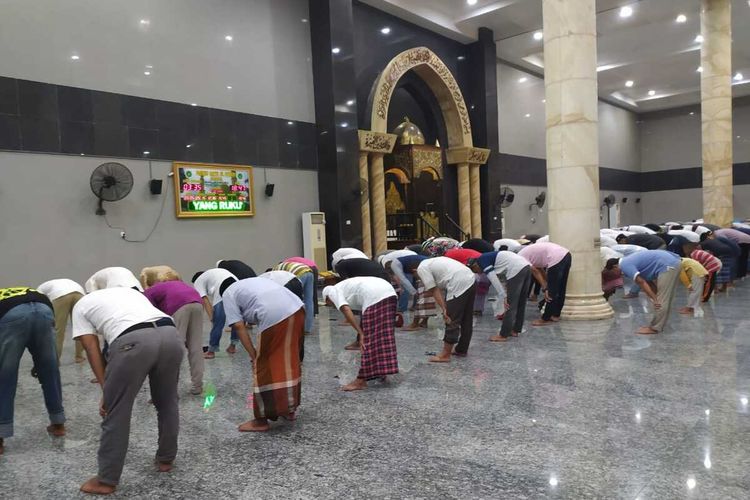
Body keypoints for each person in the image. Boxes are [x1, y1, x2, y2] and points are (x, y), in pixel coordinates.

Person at [74, 287, 182, 495]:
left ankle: (106, 480)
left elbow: (90, 347)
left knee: (117, 411)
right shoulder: (129, 293)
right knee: (168, 401)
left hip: (133, 340)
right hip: (170, 333)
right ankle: (166, 459)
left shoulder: (82, 305)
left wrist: (106, 389)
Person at [222, 278, 304, 432]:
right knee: (290, 360)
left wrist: (254, 355)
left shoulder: (227, 294)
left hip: (273, 315)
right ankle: (289, 409)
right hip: (297, 307)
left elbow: (239, 326)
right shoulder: (249, 284)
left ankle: (261, 420)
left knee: (264, 366)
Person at [0, 287, 65, 456]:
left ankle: (0, 434)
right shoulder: (15, 291)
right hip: (44, 308)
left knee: (5, 375)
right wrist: (41, 362)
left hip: (11, 315)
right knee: (50, 369)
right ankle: (58, 423)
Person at [323, 277, 399, 391]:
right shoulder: (344, 288)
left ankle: (361, 381)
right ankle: (382, 371)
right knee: (383, 338)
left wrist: (361, 334)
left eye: (329, 304)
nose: (332, 306)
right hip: (389, 293)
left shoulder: (331, 290)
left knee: (368, 341)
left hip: (375, 296)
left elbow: (346, 310)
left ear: (327, 298)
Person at [406, 256, 476, 362]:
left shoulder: (421, 268)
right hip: (471, 278)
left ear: (414, 270)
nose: (419, 279)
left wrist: (444, 308)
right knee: (466, 317)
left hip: (458, 282)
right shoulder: (431, 262)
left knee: (451, 318)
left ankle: (445, 355)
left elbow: (434, 290)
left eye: (417, 277)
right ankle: (462, 349)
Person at [144, 280, 204, 395]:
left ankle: (169, 390)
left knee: (175, 349)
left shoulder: (146, 294)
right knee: (195, 346)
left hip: (178, 305)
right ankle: (197, 386)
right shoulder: (168, 285)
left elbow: (153, 317)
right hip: (197, 302)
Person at [468, 251, 532, 342]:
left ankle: (503, 334)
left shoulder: (482, 260)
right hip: (526, 266)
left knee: (510, 304)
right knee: (521, 302)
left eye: (476, 271)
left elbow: (494, 279)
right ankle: (516, 329)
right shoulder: (487, 257)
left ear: (475, 265)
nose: (479, 273)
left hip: (516, 268)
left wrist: (504, 296)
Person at [614, 250, 681, 335]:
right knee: (663, 297)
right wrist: (655, 296)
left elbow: (641, 282)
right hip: (673, 262)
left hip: (667, 265)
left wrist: (655, 299)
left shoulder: (624, 265)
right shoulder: (630, 261)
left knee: (662, 299)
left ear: (615, 267)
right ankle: (659, 324)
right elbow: (648, 282)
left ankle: (655, 328)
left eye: (612, 272)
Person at [518, 242, 572, 326]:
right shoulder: (526, 255)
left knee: (552, 292)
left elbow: (535, 272)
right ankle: (556, 315)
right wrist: (547, 282)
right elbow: (539, 269)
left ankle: (545, 318)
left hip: (556, 258)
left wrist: (546, 287)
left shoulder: (520, 258)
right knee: (561, 287)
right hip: (566, 255)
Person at [192, 268, 238, 358]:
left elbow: (205, 300)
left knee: (218, 323)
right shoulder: (212, 274)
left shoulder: (198, 282)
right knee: (237, 319)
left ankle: (211, 352)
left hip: (223, 287)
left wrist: (212, 318)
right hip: (236, 284)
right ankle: (232, 347)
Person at [37, 278, 86, 362]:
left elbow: (40, 304)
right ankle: (79, 356)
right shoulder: (53, 283)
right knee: (80, 327)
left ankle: (55, 360)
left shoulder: (39, 289)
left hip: (60, 295)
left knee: (58, 329)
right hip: (79, 293)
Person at [394, 255, 437, 330]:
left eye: (413, 275)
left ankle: (415, 324)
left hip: (430, 274)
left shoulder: (422, 270)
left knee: (421, 300)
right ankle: (424, 322)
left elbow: (420, 301)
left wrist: (414, 292)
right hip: (435, 273)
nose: (415, 278)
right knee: (428, 299)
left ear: (415, 271)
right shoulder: (425, 264)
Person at [272, 260, 315, 334]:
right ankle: (307, 328)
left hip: (298, 274)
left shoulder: (273, 273)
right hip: (309, 271)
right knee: (309, 301)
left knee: (294, 301)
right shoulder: (281, 267)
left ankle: (293, 327)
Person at [444, 247, 488, 315]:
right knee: (481, 287)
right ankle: (477, 309)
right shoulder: (453, 255)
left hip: (475, 261)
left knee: (478, 287)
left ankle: (472, 309)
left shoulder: (448, 257)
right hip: (479, 261)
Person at [378, 248, 417, 313]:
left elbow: (394, 275)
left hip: (409, 262)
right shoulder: (391, 256)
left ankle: (402, 308)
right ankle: (415, 305)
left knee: (406, 286)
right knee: (414, 285)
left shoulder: (385, 261)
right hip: (415, 258)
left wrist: (400, 287)